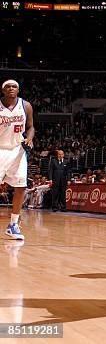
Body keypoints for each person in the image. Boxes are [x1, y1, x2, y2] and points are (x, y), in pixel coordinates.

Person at [1, 80, 35, 240]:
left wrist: (29, 138)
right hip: (0, 149)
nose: (11, 89)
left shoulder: (25, 105)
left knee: (20, 186)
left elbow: (30, 126)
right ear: (3, 90)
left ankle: (13, 224)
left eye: (14, 86)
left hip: (17, 150)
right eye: (8, 86)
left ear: (18, 89)